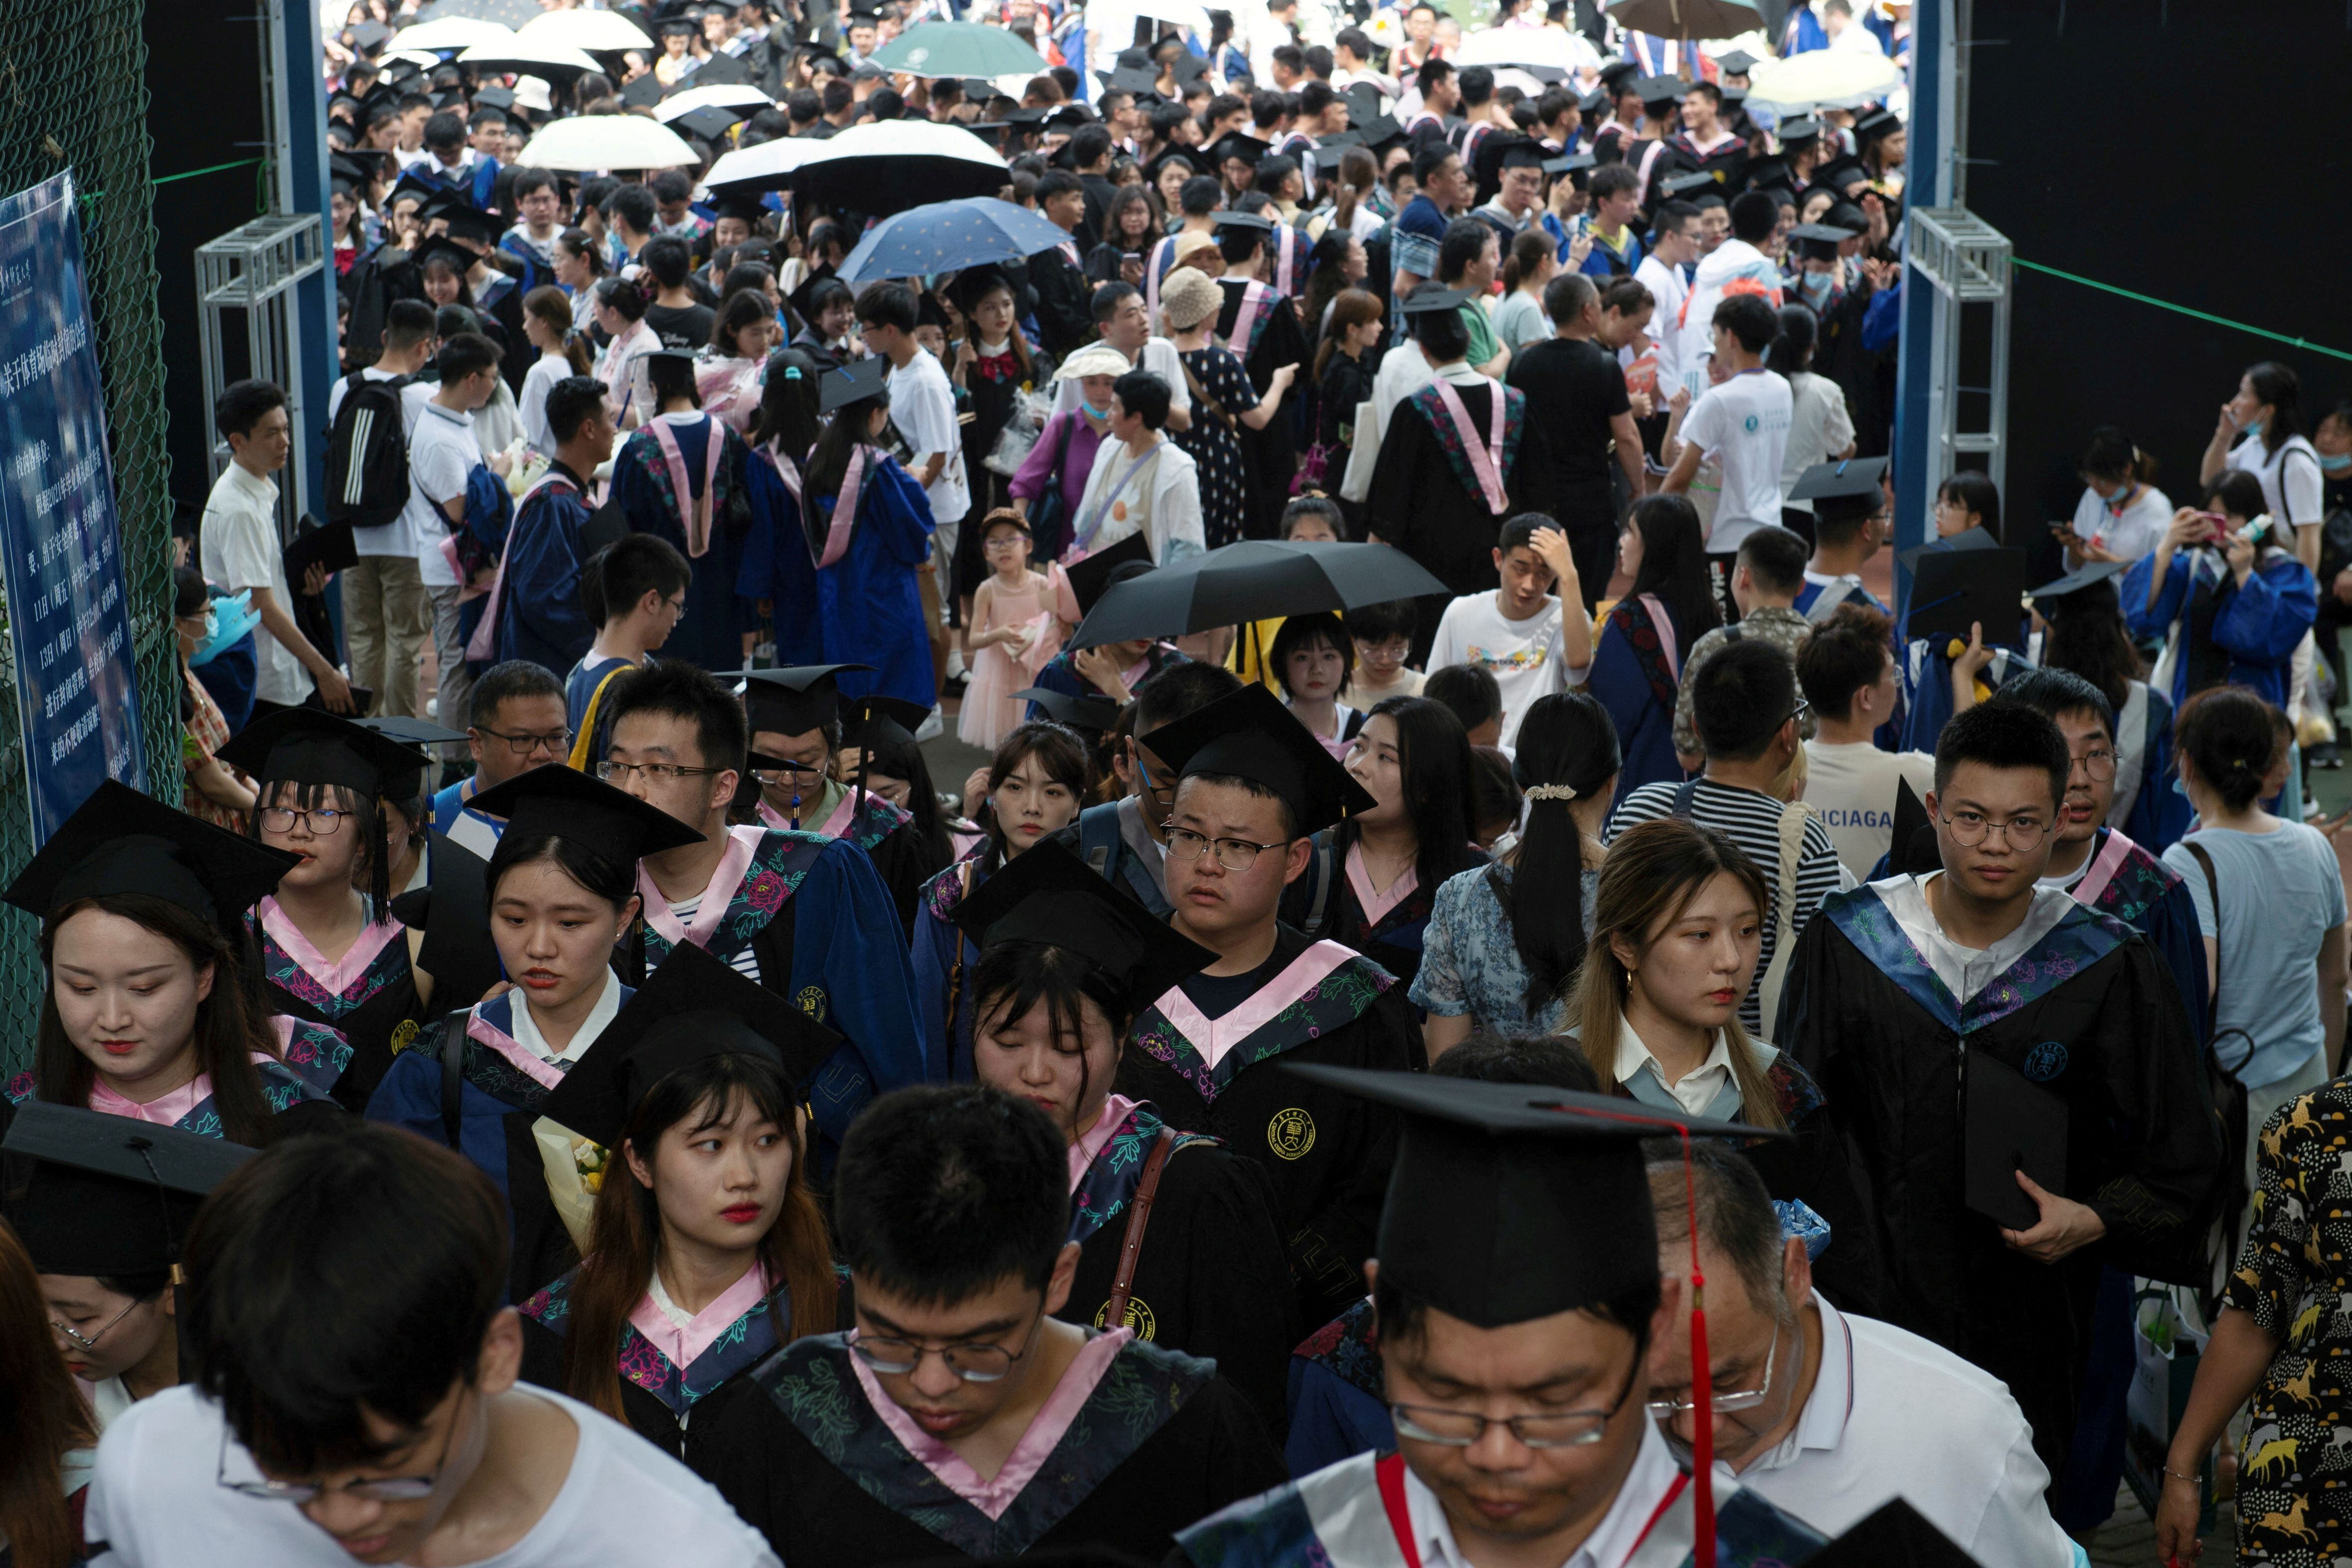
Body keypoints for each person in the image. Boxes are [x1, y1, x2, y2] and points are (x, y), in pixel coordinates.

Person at [1775, 700, 2222, 1474]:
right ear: (1934, 809)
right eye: (1971, 818)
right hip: (1870, 1306)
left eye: (2023, 823)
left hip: (2038, 1314)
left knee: (2012, 1499)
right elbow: (1795, 1126)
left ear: (2058, 823)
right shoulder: (1852, 939)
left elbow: (2181, 1150)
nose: (1994, 844)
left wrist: (2093, 1218)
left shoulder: (2106, 962)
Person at [1174, 1067, 1830, 1568]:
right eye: (1445, 1397)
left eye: (1553, 1403)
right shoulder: (1263, 1555)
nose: (1495, 1456)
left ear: (1655, 1325)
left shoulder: (1758, 1556)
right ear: (1384, 1324)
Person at [81, 1123, 782, 1567]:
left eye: (387, 1465)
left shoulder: (677, 1550)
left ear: (497, 1354)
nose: (340, 1515)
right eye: (285, 1470)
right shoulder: (161, 1469)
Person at [700, 1082, 1289, 1564]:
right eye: (890, 1340)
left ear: (1059, 1279)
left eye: (978, 1346)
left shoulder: (1190, 1428)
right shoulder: (782, 1420)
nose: (931, 1384)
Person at [955, 840, 1296, 1430]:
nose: (1035, 1072)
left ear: (1122, 1038)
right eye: (1007, 1042)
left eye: (1068, 1047)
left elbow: (1243, 1418)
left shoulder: (1197, 1191)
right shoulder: (932, 1166)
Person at [1109, 682, 1419, 1330]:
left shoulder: (1355, 1002)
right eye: (1188, 836)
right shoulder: (1109, 980)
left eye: (1239, 845)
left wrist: (1271, 1282)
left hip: (1285, 1328)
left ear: (1294, 860)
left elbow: (1385, 1185)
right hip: (1109, 1314)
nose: (1207, 863)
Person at [1643, 1144, 2077, 1565]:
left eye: (1727, 1383)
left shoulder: (1964, 1440)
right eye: (1656, 1393)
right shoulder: (1594, 1422)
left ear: (1793, 1274)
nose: (1692, 1428)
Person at [369, 765, 697, 1298]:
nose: (539, 947)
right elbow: (388, 1234)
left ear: (623, 917)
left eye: (570, 923)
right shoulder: (443, 1062)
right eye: (514, 919)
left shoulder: (674, 1052)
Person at [517, 941, 839, 1462]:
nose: (745, 1177)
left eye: (768, 1141)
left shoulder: (847, 1314)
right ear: (640, 1161)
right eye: (710, 1145)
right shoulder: (558, 1327)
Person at [601, 661, 925, 1153]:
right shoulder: (601, 901)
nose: (630, 789)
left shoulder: (817, 874)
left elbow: (894, 1052)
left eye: (659, 769)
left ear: (723, 787)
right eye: (619, 766)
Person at [0, 781, 343, 1146]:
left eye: (144, 988)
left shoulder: (296, 1126)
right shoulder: (19, 1118)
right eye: (82, 988)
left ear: (204, 976)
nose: (113, 1019)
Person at [1608, 639, 1844, 1036]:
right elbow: (1814, 983)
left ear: (1698, 728)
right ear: (1789, 734)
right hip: (1753, 1063)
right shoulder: (1806, 841)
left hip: (1638, 1042)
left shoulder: (1641, 810)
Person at [2164, 685, 2348, 1188]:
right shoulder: (2315, 845)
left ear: (2188, 765)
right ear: (2268, 766)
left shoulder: (2186, 862)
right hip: (2309, 1076)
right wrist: (2323, 1082)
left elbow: (2196, 991)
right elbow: (2335, 980)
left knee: (2238, 1254)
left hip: (2232, 1099)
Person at [218, 708, 430, 1115]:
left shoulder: (413, 952)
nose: (299, 829)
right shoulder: (228, 944)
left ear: (366, 839)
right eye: (279, 810)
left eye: (326, 813)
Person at [5, 1104, 246, 1445]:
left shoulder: (258, 1399)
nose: (57, 1342)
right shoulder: (36, 1399)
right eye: (38, 1311)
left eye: (80, 1318)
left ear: (172, 1292)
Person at [1415, 689, 1619, 1050]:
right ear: (1611, 783)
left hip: (1492, 1104)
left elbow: (1443, 1058)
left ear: (1521, 783)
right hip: (1605, 1105)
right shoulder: (1642, 891)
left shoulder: (1459, 898)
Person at [1367, 288, 1551, 652]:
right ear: (1469, 340)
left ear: (1424, 350)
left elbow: (1390, 502)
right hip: (1502, 557)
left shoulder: (1415, 411)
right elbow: (1540, 490)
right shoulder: (1515, 402)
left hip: (1431, 569)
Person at [752, 356, 940, 711]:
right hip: (882, 593)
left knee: (849, 686)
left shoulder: (818, 460)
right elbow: (913, 535)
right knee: (888, 690)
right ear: (874, 415)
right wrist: (913, 480)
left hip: (837, 592)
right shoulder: (880, 469)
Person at [912, 722, 1092, 1080]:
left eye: (1053, 793)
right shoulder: (950, 896)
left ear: (1077, 804)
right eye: (1015, 788)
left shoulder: (1099, 897)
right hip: (969, 1094)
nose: (1032, 807)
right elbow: (927, 1019)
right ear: (992, 796)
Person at [1281, 695, 1484, 991]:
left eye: (1386, 757)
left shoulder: (1473, 879)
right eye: (1359, 747)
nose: (1358, 767)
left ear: (1428, 785)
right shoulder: (1309, 857)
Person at [731, 664, 939, 932]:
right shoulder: (727, 820)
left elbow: (907, 927)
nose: (787, 778)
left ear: (833, 752)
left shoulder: (880, 827)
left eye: (806, 762)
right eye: (770, 760)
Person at [203, 381, 353, 718]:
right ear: (238, 442)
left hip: (270, 670)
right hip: (264, 677)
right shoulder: (238, 508)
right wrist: (325, 670)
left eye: (285, 429)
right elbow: (262, 607)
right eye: (272, 433)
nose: (285, 442)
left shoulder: (252, 494)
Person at [1505, 273, 1648, 610]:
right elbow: (1626, 436)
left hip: (1535, 498)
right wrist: (1638, 487)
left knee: (1534, 592)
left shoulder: (1523, 362)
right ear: (1587, 312)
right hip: (1589, 501)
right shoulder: (1603, 365)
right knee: (1585, 596)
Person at [2123, 470, 2320, 713]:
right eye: (2214, 515)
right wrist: (2167, 546)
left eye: (2232, 515)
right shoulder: (2194, 566)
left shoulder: (2284, 572)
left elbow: (2272, 641)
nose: (2221, 524)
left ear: (2254, 518)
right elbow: (2143, 616)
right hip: (2193, 701)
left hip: (2253, 706)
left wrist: (2244, 575)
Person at [1057, 660, 1242, 919]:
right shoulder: (1075, 855)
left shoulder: (1273, 862)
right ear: (1132, 757)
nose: (1188, 802)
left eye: (1211, 781)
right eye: (1168, 782)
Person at [2031, 558, 2189, 847]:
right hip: (2135, 873)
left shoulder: (2034, 703)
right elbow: (2170, 817)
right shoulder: (2152, 707)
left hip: (2048, 867)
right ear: (2118, 631)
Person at [328, 300, 437, 719]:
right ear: (425, 346)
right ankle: (403, 739)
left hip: (352, 537)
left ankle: (367, 733)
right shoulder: (424, 397)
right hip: (407, 539)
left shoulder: (346, 388)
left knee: (363, 639)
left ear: (384, 337)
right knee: (406, 643)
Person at [611, 348, 750, 674]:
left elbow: (622, 532)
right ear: (692, 384)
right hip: (724, 591)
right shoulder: (728, 439)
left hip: (660, 601)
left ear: (655, 388)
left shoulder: (638, 448)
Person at [1588, 493, 1723, 808]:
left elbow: (1612, 721)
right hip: (1710, 787)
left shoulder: (1629, 621)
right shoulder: (1710, 612)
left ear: (1655, 546)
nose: (1622, 541)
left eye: (1630, 532)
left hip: (1645, 792)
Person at [1663, 295, 1794, 616]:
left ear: (1731, 337)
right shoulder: (1782, 388)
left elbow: (1679, 476)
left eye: (1716, 335)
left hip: (1726, 541)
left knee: (1724, 636)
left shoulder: (1719, 401)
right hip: (1770, 531)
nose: (1716, 344)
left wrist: (1650, 522)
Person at [1424, 514, 1592, 747]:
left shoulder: (1565, 617)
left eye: (1544, 573)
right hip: (1469, 753)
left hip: (1533, 762)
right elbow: (1433, 694)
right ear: (1498, 559)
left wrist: (1569, 575)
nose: (1530, 585)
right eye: (1520, 569)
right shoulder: (1460, 612)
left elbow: (1579, 666)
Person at [1796, 603, 1936, 881]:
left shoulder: (1779, 770)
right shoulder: (1916, 776)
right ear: (1866, 698)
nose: (1896, 684)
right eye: (1892, 676)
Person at [496, 375, 617, 676]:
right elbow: (546, 600)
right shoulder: (551, 505)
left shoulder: (572, 496)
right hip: (548, 676)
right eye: (611, 419)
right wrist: (603, 647)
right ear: (588, 428)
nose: (615, 429)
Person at [1670, 525, 1813, 776]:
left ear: (1743, 577)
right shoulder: (1822, 647)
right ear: (1801, 586)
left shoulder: (1714, 646)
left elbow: (1688, 756)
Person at [1164, 269, 1282, 551]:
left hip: (1172, 460)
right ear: (1204, 314)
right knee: (1217, 541)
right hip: (1217, 463)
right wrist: (1279, 382)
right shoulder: (1222, 360)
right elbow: (1257, 419)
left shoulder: (1159, 356)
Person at [565, 533, 691, 771]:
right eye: (677, 607)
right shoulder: (632, 686)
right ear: (652, 601)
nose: (676, 621)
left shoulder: (584, 668)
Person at [430, 659, 571, 862]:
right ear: (477, 744)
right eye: (523, 739)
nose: (543, 753)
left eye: (556, 738)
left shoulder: (592, 819)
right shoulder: (434, 824)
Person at [2203, 360, 2328, 570]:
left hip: (2279, 571)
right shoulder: (2254, 445)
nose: (2233, 404)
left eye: (2243, 395)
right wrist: (2224, 435)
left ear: (2268, 409)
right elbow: (2210, 481)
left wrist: (2301, 593)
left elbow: (2309, 535)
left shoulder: (2297, 461)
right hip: (2250, 564)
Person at [1073, 369, 1207, 563]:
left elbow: (1188, 546)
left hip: (1143, 587)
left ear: (1136, 418)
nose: (1108, 415)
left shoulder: (1177, 469)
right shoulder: (1109, 448)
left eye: (1115, 408)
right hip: (1098, 580)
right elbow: (1088, 515)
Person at [958, 511, 1064, 750]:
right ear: (986, 552)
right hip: (1000, 672)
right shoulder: (987, 589)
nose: (1002, 547)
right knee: (1004, 739)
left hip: (1034, 668)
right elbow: (974, 639)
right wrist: (999, 634)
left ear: (1027, 546)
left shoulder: (1042, 584)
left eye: (1010, 539)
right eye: (994, 542)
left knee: (1037, 737)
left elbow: (1058, 626)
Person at [171, 568, 256, 829]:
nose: (212, 621)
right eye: (206, 614)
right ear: (179, 623)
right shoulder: (178, 692)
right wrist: (257, 804)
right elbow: (213, 783)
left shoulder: (188, 672)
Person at [1769, 307, 1857, 547]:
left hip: (1756, 510)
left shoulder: (1754, 387)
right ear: (1811, 348)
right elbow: (1845, 452)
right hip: (1803, 510)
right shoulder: (1825, 391)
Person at [2066, 425, 2172, 565]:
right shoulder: (2092, 497)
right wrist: (2073, 546)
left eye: (2102, 481)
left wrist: (2110, 561)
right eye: (2088, 479)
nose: (2095, 488)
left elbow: (2163, 578)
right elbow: (2077, 566)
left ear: (2127, 469)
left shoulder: (2157, 511)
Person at [1270, 611, 1364, 758]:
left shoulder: (1362, 727)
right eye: (1302, 658)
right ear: (1282, 664)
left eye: (1328, 656)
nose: (1317, 670)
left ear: (1346, 661)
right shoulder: (1270, 731)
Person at [517, 285, 592, 457]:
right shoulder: (566, 363)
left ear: (544, 322)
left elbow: (528, 436)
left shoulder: (541, 372)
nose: (524, 327)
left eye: (528, 319)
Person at [1340, 599, 1424, 709]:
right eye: (1373, 650)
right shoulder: (1335, 693)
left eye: (1397, 649)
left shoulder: (1424, 689)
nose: (1386, 661)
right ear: (1353, 642)